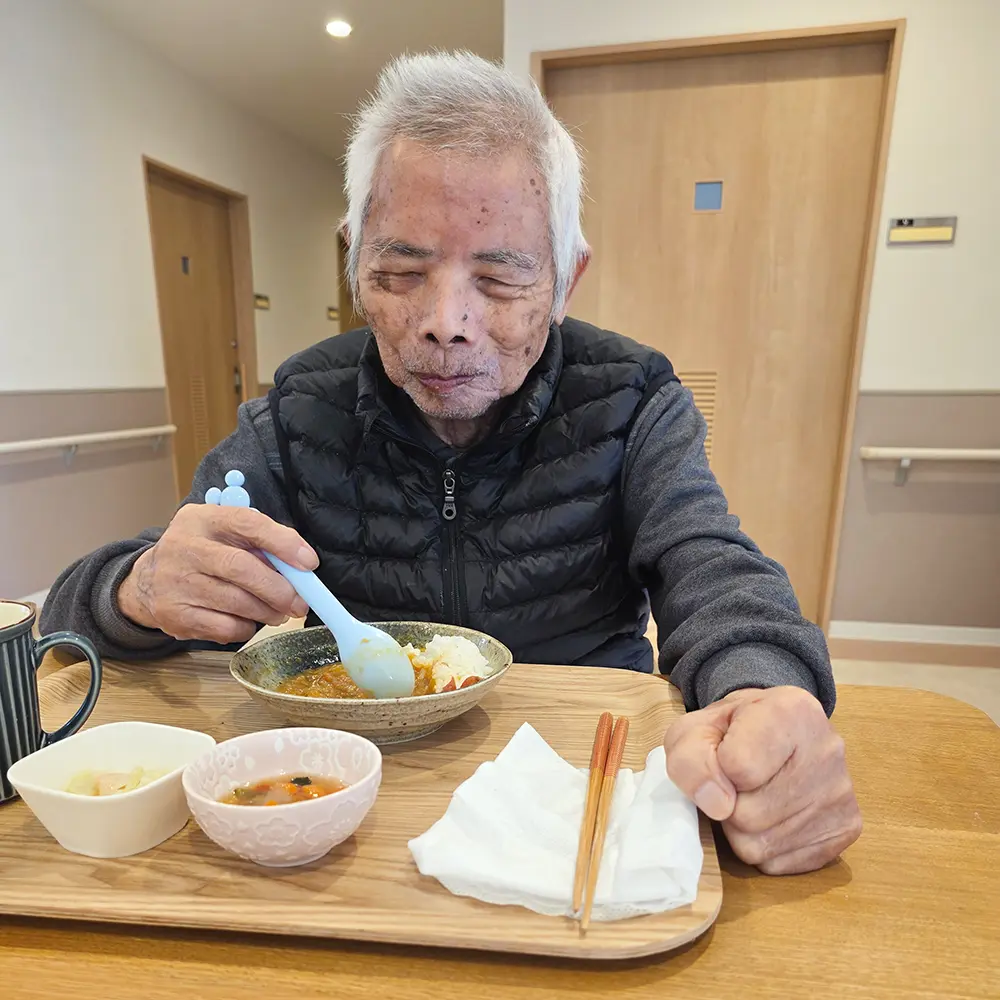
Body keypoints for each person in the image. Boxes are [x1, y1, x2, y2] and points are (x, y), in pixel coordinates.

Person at [43, 52, 861, 875]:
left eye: (499, 279)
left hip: (586, 784)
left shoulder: (632, 397)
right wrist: (139, 589)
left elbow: (711, 563)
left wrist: (760, 696)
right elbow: (91, 608)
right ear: (354, 263)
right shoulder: (298, 409)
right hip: (351, 809)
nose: (446, 321)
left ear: (566, 279)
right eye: (402, 272)